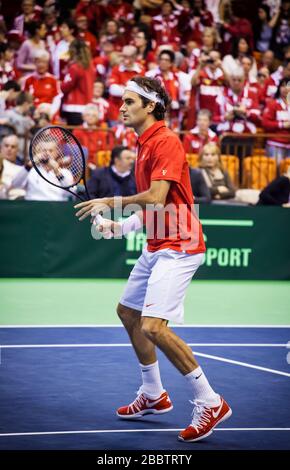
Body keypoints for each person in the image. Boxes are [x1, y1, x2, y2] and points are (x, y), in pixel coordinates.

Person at [74, 76, 232, 443]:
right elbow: (153, 204)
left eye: (129, 102)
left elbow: (158, 197)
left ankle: (210, 401)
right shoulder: (143, 144)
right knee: (128, 312)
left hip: (180, 246)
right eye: (122, 101)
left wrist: (110, 202)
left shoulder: (166, 142)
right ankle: (153, 394)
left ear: (150, 106)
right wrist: (123, 226)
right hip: (157, 243)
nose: (122, 107)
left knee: (153, 327)